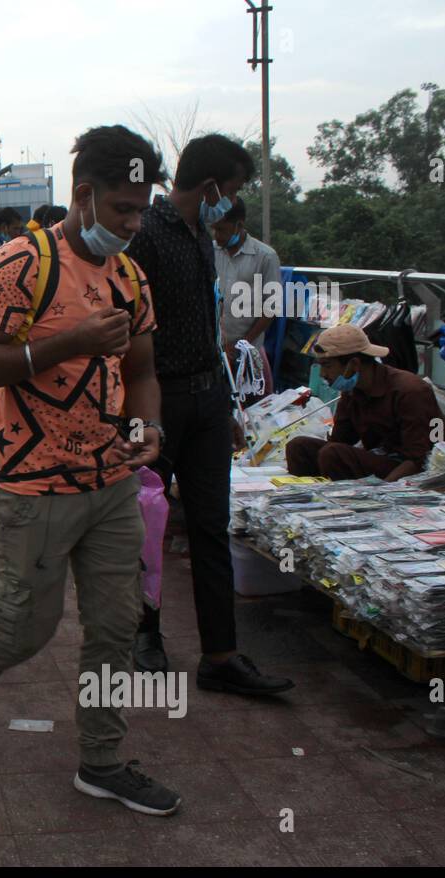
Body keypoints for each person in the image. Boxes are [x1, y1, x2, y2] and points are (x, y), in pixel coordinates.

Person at [0, 124, 180, 816]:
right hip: (33, 484)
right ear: (83, 195)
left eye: (142, 211)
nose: (134, 225)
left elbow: (141, 369)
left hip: (110, 484)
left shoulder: (131, 277)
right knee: (28, 628)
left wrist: (148, 426)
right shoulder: (21, 264)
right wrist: (70, 341)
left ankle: (101, 760)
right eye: (122, 210)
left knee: (115, 628)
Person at [126, 133, 293, 695]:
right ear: (213, 187)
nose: (234, 201)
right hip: (156, 400)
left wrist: (223, 400)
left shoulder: (204, 235)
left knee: (211, 525)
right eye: (235, 188)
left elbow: (207, 322)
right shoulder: (146, 233)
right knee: (146, 522)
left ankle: (221, 656)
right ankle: (145, 634)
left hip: (206, 395)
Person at [286, 325, 442, 480]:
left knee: (332, 454)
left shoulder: (410, 391)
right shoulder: (352, 391)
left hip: (410, 468)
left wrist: (383, 492)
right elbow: (340, 440)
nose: (322, 374)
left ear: (354, 365)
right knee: (298, 447)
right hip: (381, 458)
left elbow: (421, 459)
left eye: (327, 366)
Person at [212, 196, 280, 396]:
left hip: (248, 353)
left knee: (251, 410)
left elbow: (272, 307)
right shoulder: (212, 250)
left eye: (221, 230)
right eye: (213, 229)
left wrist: (243, 344)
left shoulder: (265, 256)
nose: (216, 236)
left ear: (238, 225)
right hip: (216, 351)